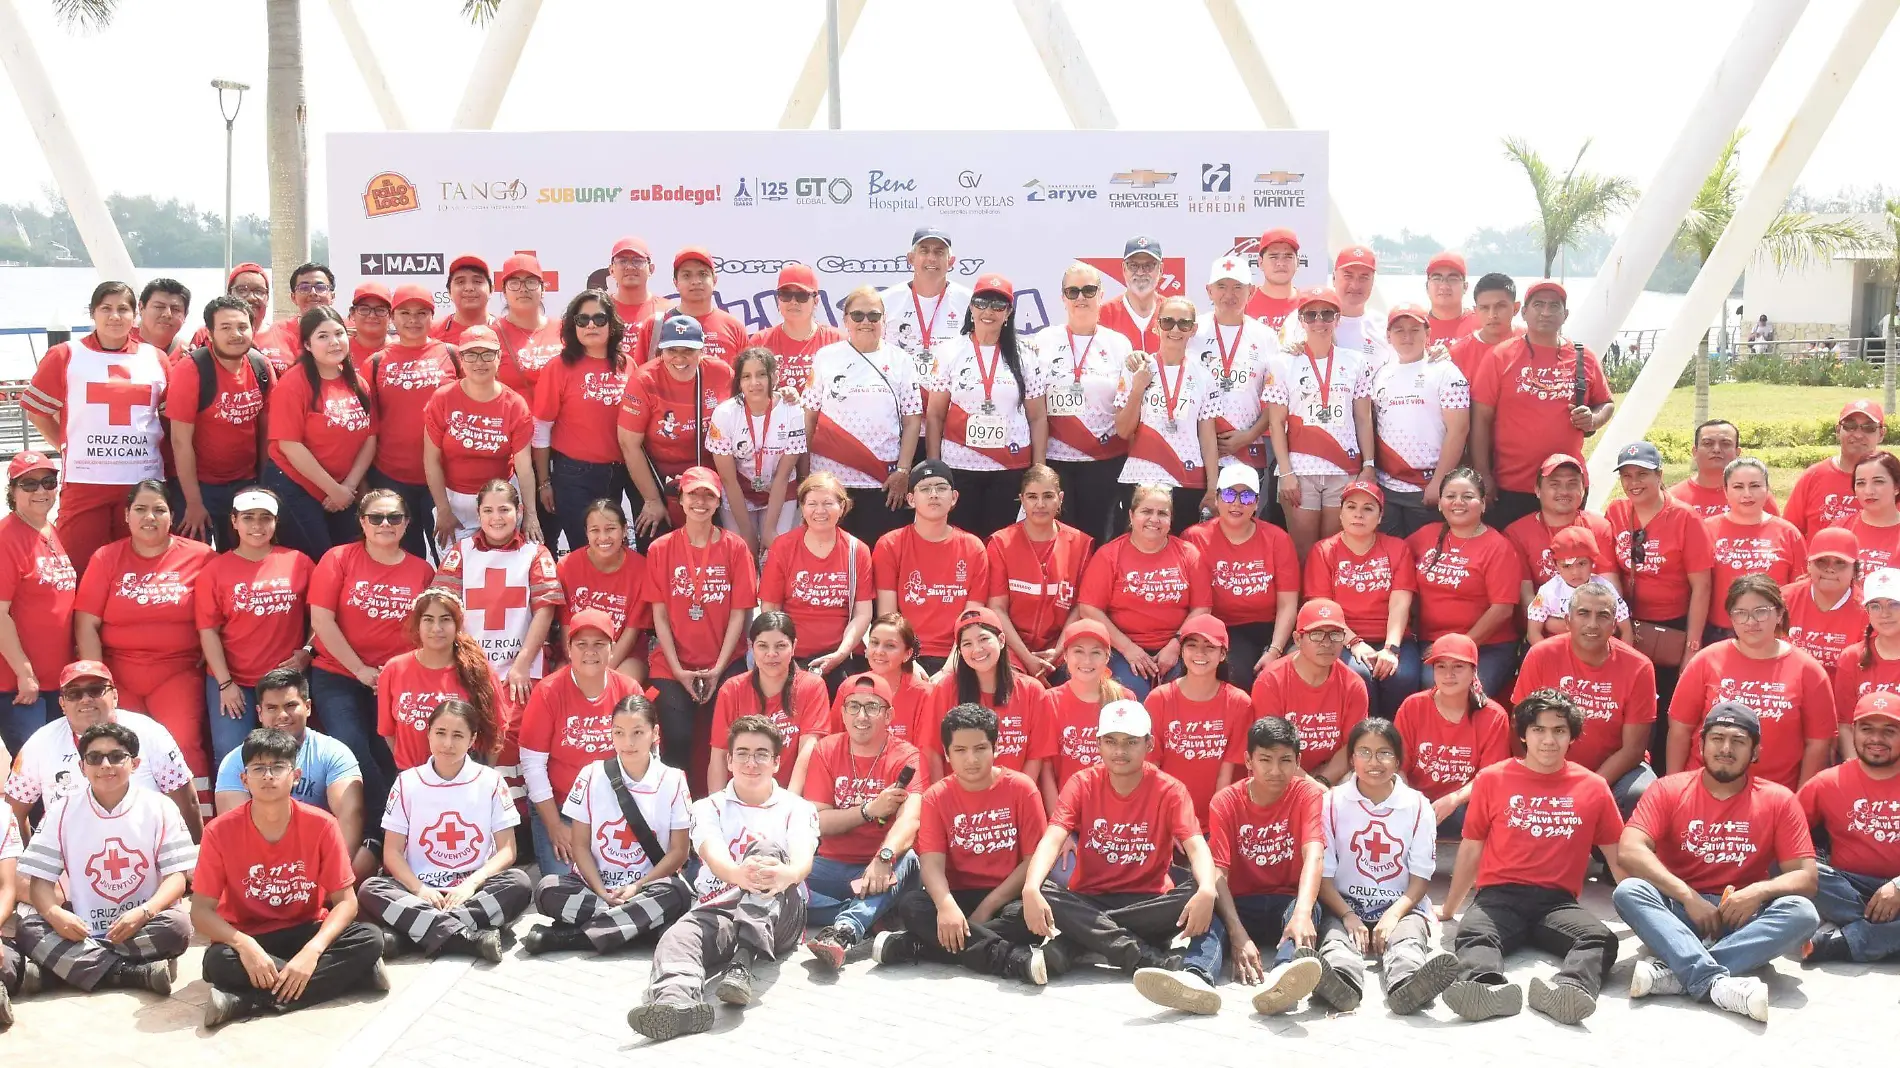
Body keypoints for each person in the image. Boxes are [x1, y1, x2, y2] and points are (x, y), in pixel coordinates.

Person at [1613, 701, 1820, 1022]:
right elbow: (1629, 849)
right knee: (1629, 891)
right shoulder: (1669, 788)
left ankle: (1680, 972)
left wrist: (1757, 893)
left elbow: (1806, 877)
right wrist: (1686, 895)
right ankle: (1717, 980)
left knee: (1803, 912)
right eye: (1717, 738)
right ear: (1701, 744)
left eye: (1738, 741)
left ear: (1755, 751)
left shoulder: (1778, 799)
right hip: (1678, 912)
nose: (1726, 748)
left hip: (1741, 916)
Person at [1012, 699, 1223, 1014]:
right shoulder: (1082, 783)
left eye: (1131, 742)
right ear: (1098, 743)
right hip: (1090, 898)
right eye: (1110, 741)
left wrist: (1207, 889)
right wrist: (1029, 888)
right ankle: (1141, 956)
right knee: (1041, 886)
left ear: (1149, 744)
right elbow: (1054, 837)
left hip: (1149, 901)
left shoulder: (1170, 790)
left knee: (1200, 888)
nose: (1119, 751)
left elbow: (1195, 845)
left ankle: (1077, 942)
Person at [1436, 689, 1624, 1025]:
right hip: (1498, 897)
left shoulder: (1594, 787)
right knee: (1473, 932)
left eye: (1559, 730)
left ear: (1572, 736)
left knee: (1600, 938)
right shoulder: (1492, 779)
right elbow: (1471, 847)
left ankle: (1569, 991)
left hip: (1558, 902)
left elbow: (1617, 855)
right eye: (1538, 729)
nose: (1548, 740)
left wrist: (1638, 916)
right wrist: (1450, 908)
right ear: (1523, 734)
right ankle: (1485, 989)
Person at [628, 715, 818, 1041]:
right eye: (742, 753)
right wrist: (737, 875)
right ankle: (678, 1006)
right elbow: (712, 852)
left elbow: (803, 858)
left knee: (766, 851)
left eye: (761, 754)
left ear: (776, 762)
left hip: (780, 912)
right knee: (678, 935)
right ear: (729, 760)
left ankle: (741, 963)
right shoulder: (707, 807)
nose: (751, 762)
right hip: (719, 906)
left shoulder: (797, 808)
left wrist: (787, 873)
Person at [192, 726, 385, 1028]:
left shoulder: (322, 825)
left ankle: (247, 1001)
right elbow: (200, 912)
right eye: (258, 768)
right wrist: (245, 945)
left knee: (369, 938)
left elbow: (346, 902)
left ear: (295, 776)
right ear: (244, 779)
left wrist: (313, 950)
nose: (268, 775)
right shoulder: (219, 831)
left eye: (278, 767)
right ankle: (352, 976)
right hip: (251, 933)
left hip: (306, 927)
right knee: (217, 962)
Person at [874, 703, 1052, 982]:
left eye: (980, 748)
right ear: (947, 754)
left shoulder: (1022, 788)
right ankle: (1011, 960)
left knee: (1028, 917)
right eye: (960, 750)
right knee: (913, 906)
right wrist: (946, 905)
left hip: (1006, 894)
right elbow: (931, 865)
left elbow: (1032, 861)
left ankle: (919, 945)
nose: (971, 759)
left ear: (996, 748)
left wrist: (988, 906)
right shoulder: (936, 797)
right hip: (957, 893)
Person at [16, 720, 195, 995]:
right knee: (29, 928)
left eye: (116, 757)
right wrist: (55, 915)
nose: (105, 765)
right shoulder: (61, 811)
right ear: (82, 766)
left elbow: (176, 878)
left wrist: (144, 912)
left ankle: (64, 970)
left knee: (178, 927)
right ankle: (135, 973)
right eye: (95, 758)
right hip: (81, 927)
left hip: (143, 922)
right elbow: (39, 882)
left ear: (134, 764)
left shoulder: (159, 806)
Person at [74, 480, 217, 796]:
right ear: (126, 515)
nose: (149, 517)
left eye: (159, 510)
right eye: (140, 509)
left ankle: (198, 826)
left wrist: (212, 648)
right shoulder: (105, 557)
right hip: (120, 673)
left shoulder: (201, 556)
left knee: (183, 742)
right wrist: (99, 681)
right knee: (122, 747)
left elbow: (219, 612)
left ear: (172, 515)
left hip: (177, 671)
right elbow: (86, 623)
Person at [358, 699, 530, 961]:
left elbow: (507, 850)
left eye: (458, 735)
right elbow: (392, 853)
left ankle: (414, 933)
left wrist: (470, 885)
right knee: (371, 889)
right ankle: (467, 937)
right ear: (428, 734)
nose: (448, 744)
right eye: (440, 733)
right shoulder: (407, 782)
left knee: (519, 884)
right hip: (422, 891)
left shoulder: (490, 781)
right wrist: (419, 890)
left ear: (472, 740)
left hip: (472, 888)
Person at [21, 282, 169, 580]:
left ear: (135, 314)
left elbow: (168, 420)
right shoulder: (66, 355)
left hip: (142, 482)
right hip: (87, 482)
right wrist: (66, 446)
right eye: (106, 309)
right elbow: (36, 410)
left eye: (123, 309)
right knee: (80, 568)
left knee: (139, 568)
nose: (115, 316)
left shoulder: (156, 359)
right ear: (92, 313)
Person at [525, 694, 692, 956]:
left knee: (676, 893)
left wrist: (637, 888)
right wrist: (602, 891)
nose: (628, 742)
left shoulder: (673, 779)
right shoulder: (591, 775)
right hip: (597, 888)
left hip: (647, 887)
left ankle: (573, 938)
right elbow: (579, 845)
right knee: (547, 889)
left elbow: (679, 852)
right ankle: (637, 927)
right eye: (619, 732)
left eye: (638, 732)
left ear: (655, 733)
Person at [1317, 718, 1460, 1015]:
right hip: (1342, 904)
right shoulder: (1331, 803)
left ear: (1397, 760)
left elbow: (1420, 879)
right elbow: (1324, 876)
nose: (1374, 762)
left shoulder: (1418, 806)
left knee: (1407, 944)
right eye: (1364, 752)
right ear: (1351, 758)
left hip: (1401, 906)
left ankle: (1407, 986)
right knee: (1335, 943)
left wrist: (1393, 914)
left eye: (1384, 753)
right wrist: (1347, 915)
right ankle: (1341, 985)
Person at [308, 490, 436, 817]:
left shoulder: (422, 571)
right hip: (338, 673)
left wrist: (394, 673)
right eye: (376, 517)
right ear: (363, 522)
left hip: (394, 680)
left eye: (394, 517)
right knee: (351, 748)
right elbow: (321, 620)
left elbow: (427, 630)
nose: (385, 524)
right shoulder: (338, 558)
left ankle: (403, 823)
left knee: (394, 754)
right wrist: (361, 670)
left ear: (407, 523)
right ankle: (378, 825)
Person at [1203, 715, 1329, 1015]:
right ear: (1248, 760)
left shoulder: (1307, 793)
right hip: (1240, 902)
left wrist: (1301, 913)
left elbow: (1314, 853)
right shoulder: (1225, 801)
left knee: (1312, 910)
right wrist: (1236, 933)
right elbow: (1218, 871)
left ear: (1298, 761)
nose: (1275, 770)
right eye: (1265, 760)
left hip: (1284, 900)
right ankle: (1195, 976)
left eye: (1286, 760)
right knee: (1208, 913)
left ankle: (1284, 978)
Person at [798, 672, 926, 967]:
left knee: (908, 859)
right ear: (842, 713)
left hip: (885, 869)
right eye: (853, 706)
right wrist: (869, 810)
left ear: (889, 714)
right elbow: (816, 821)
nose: (862, 716)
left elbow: (910, 823)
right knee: (786, 873)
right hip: (832, 866)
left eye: (872, 707)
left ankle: (845, 932)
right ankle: (873, 913)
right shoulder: (826, 750)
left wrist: (883, 856)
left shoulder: (907, 756)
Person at [644, 467, 757, 793]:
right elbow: (659, 615)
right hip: (672, 663)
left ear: (718, 501)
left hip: (726, 661)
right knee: (676, 739)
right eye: (694, 494)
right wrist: (679, 671)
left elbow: (740, 613)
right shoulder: (661, 549)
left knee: (726, 743)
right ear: (680, 499)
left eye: (709, 495)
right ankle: (674, 813)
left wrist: (720, 667)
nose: (701, 502)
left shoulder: (735, 549)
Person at [1470, 280, 1614, 530]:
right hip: (1512, 486)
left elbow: (1606, 403)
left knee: (1566, 557)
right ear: (1524, 312)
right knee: (1514, 560)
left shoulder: (1584, 357)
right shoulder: (1500, 356)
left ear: (1565, 314)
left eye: (1553, 306)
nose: (1546, 312)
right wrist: (1483, 474)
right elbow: (1480, 419)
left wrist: (1594, 419)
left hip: (1567, 485)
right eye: (1538, 305)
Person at [1667, 576, 1834, 789]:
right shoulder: (1706, 660)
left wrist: (1799, 804)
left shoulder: (1809, 671)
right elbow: (1680, 730)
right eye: (1741, 613)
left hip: (1775, 796)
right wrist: (1673, 788)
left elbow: (1818, 744)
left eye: (1761, 612)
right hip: (1704, 790)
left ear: (1779, 614)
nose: (1751, 622)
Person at [5, 661, 199, 839]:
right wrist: (27, 870)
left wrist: (195, 863)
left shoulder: (151, 732)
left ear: (114, 696)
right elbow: (13, 812)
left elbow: (187, 801)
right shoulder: (40, 743)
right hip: (68, 864)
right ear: (62, 704)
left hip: (148, 851)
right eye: (74, 693)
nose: (86, 699)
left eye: (96, 690)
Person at [1515, 581, 1660, 816]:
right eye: (1583, 613)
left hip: (1615, 774)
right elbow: (1520, 727)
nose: (1592, 624)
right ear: (1568, 620)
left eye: (1602, 616)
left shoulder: (1639, 667)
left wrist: (1588, 786)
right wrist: (1542, 776)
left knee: (1640, 793)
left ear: (1614, 625)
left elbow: (1633, 749)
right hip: (1548, 767)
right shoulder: (1541, 655)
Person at [211, 670, 367, 884]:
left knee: (364, 859)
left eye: (290, 705)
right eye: (272, 708)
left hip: (320, 853)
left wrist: (331, 874)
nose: (282, 715)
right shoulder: (235, 760)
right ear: (259, 713)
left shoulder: (334, 752)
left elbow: (351, 815)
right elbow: (233, 829)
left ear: (308, 707)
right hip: (260, 860)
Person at [196, 487, 314, 764]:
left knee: (290, 753)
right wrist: (225, 684)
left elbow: (321, 615)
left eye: (265, 518)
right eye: (248, 518)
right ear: (234, 522)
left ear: (276, 522)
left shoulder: (299, 562)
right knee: (231, 753)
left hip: (284, 682)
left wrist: (308, 650)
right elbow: (208, 630)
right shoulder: (214, 570)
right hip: (234, 681)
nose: (257, 526)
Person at [519, 609, 641, 876]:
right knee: (566, 885)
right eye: (581, 644)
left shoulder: (628, 689)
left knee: (626, 875)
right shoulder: (548, 692)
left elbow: (647, 757)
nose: (590, 652)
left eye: (599, 644)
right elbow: (533, 766)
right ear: (569, 649)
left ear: (612, 649)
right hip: (560, 808)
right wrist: (554, 827)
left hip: (615, 809)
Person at [925, 274, 1046, 540]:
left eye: (998, 305)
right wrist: (935, 466)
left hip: (1009, 467)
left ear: (1009, 312)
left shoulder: (1025, 355)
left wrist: (1038, 470)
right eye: (981, 303)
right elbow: (934, 415)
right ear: (971, 307)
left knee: (1001, 543)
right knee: (962, 543)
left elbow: (1037, 417)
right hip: (960, 466)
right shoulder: (949, 352)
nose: (988, 311)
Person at [802, 286, 924, 544]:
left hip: (883, 481)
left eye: (873, 315)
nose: (865, 322)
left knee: (880, 555)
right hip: (832, 481)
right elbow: (809, 417)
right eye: (857, 316)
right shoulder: (826, 357)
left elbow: (913, 420)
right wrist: (806, 474)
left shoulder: (902, 360)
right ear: (846, 320)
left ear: (884, 319)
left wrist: (903, 471)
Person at [1265, 286, 1376, 562]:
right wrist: (1286, 473)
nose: (1319, 321)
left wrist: (1369, 465)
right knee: (1303, 554)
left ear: (1337, 319)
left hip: (1344, 468)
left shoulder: (1355, 362)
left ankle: (1329, 606)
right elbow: (1276, 423)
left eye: (1327, 314)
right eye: (1311, 315)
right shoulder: (1282, 363)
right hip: (1301, 472)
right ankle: (1306, 606)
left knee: (1334, 552)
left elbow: (1363, 418)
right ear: (1301, 320)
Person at [430, 479, 562, 705]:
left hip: (522, 669)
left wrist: (522, 664)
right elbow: (441, 606)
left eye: (504, 510)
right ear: (478, 514)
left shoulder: (536, 553)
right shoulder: (462, 551)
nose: (496, 518)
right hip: (468, 667)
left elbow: (545, 611)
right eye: (488, 510)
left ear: (519, 511)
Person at [1610, 441, 1715, 726]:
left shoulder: (1685, 518)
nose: (1634, 483)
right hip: (1629, 624)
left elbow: (1702, 586)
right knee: (1630, 703)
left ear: (1659, 474)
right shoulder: (1616, 512)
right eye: (1626, 476)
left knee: (1667, 705)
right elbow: (1609, 572)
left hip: (1673, 628)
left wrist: (1692, 647)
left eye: (1642, 474)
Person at [264, 308, 380, 561]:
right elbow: (289, 445)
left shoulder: (357, 384)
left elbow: (370, 438)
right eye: (323, 336)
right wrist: (333, 489)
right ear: (307, 344)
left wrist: (347, 487)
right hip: (297, 487)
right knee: (317, 560)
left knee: (344, 560)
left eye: (339, 333)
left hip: (342, 491)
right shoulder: (294, 383)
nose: (334, 342)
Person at [1029, 263, 1133, 542]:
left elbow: (1127, 404)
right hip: (1056, 459)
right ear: (1062, 298)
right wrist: (1038, 465)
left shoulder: (1118, 344)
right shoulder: (1044, 340)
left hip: (1104, 461)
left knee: (1100, 538)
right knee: (1059, 541)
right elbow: (1033, 405)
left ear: (1101, 294)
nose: (1080, 298)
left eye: (1088, 290)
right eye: (1072, 291)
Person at [1077, 484, 1212, 698]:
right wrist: (1129, 649)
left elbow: (1202, 608)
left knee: (1181, 695)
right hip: (1123, 649)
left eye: (1162, 513)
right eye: (1146, 511)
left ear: (1171, 519)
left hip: (1177, 647)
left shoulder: (1189, 554)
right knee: (1130, 695)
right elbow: (1089, 609)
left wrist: (1176, 645)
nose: (1154, 519)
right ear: (1131, 515)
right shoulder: (1109, 555)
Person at [1799, 689, 1900, 963]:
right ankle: (1881, 930)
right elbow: (1786, 836)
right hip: (1845, 887)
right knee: (1791, 866)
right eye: (1867, 729)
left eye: (1889, 731)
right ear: (1853, 731)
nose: (1876, 739)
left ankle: (1844, 941)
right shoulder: (1827, 782)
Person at [1303, 481, 1420, 716]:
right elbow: (1322, 609)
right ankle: (1365, 740)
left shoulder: (1397, 548)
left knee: (1402, 675)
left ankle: (1395, 741)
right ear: (1341, 513)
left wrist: (1391, 648)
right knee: (1360, 674)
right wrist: (1355, 643)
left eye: (1368, 508)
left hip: (1391, 638)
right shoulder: (1324, 550)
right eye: (1351, 507)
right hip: (1341, 637)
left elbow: (1400, 603)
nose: (1358, 514)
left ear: (1380, 517)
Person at [1404, 468, 1522, 697]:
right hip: (1428, 641)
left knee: (1445, 687)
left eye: (1468, 496)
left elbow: (1502, 610)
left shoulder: (1498, 547)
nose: (1458, 502)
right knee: (1399, 676)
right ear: (1439, 504)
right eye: (1450, 496)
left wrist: (1459, 647)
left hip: (1486, 646)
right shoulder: (1425, 536)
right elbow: (1393, 560)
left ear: (1483, 504)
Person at [357, 284, 456, 558]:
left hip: (445, 478)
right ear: (392, 317)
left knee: (448, 559)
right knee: (403, 560)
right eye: (405, 313)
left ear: (432, 315)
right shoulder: (376, 362)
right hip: (392, 477)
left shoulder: (451, 355)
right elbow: (366, 427)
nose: (413, 320)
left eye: (421, 312)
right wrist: (364, 483)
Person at [168, 295, 273, 551]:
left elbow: (266, 433)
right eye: (225, 327)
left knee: (243, 557)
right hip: (198, 485)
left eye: (242, 327)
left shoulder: (261, 366)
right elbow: (180, 441)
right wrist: (193, 503)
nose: (236, 334)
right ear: (210, 333)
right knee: (194, 557)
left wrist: (264, 485)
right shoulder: (192, 370)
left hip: (245, 483)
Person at [620, 316, 736, 545]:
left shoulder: (721, 373)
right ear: (661, 349)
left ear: (702, 349)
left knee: (712, 547)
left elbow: (747, 410)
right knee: (654, 544)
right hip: (658, 477)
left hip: (708, 477)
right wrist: (652, 500)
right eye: (672, 350)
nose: (680, 358)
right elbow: (628, 444)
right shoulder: (644, 380)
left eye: (689, 350)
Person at [1182, 465, 1297, 693]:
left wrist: (1275, 650)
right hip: (1223, 626)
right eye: (1228, 494)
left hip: (1269, 626)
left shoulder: (1277, 539)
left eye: (1246, 496)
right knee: (1238, 673)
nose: (1236, 503)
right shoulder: (1195, 537)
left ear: (1256, 503)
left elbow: (1288, 603)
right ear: (1216, 499)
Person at [422, 324, 536, 548]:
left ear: (498, 358)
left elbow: (524, 467)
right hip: (455, 501)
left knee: (501, 569)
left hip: (500, 502)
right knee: (455, 574)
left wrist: (531, 513)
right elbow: (431, 461)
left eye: (486, 354)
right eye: (471, 354)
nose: (479, 362)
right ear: (461, 360)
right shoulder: (442, 399)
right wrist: (444, 510)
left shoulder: (515, 404)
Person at [376, 588, 509, 782]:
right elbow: (389, 732)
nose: (436, 628)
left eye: (445, 619)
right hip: (413, 780)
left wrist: (482, 778)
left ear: (457, 625)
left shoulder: (479, 671)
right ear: (418, 624)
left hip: (466, 780)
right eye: (428, 619)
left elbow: (497, 731)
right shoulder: (394, 670)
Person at [1113, 295, 1220, 530]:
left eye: (1183, 324)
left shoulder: (1203, 375)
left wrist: (1212, 487)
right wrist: (1138, 389)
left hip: (1187, 477)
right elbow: (1123, 430)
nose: (1175, 329)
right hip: (1141, 475)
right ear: (1156, 325)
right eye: (1168, 322)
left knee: (1180, 550)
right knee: (1140, 549)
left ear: (1193, 329)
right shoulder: (1136, 369)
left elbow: (1208, 437)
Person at [872, 460, 988, 673]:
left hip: (959, 655)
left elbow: (972, 620)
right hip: (905, 654)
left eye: (941, 488)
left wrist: (948, 670)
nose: (933, 494)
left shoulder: (973, 547)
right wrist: (909, 661)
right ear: (911, 499)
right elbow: (888, 619)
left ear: (953, 498)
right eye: (925, 489)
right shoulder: (890, 544)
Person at [535, 290, 628, 554]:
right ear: (572, 325)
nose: (590, 325)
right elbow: (541, 428)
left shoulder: (626, 365)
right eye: (582, 319)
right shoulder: (559, 367)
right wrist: (544, 482)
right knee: (584, 550)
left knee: (611, 550)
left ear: (611, 325)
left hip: (617, 474)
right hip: (573, 475)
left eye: (599, 319)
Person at [756, 474, 869, 689]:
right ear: (802, 507)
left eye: (828, 503)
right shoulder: (783, 547)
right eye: (812, 504)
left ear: (842, 506)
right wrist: (781, 652)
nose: (820, 511)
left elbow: (863, 613)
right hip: (792, 657)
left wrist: (840, 653)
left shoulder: (857, 550)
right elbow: (770, 608)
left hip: (842, 655)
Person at [921, 607, 1056, 783]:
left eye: (983, 639)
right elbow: (932, 751)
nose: (977, 649)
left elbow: (1036, 756)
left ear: (1001, 640)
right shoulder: (945, 689)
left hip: (1013, 800)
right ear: (960, 650)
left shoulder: (1032, 691)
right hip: (958, 801)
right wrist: (942, 799)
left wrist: (1017, 796)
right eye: (967, 643)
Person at [1393, 635, 1511, 834]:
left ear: (1474, 671)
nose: (1449, 675)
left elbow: (1489, 777)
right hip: (1416, 799)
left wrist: (1454, 799)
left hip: (1465, 802)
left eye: (1458, 667)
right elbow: (1399, 766)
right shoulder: (1413, 706)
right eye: (1441, 667)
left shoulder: (1494, 716)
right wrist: (1412, 802)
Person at [981, 465, 1091, 679]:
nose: (1040, 504)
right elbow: (997, 608)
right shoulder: (1000, 543)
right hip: (1012, 650)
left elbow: (1080, 606)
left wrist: (1058, 651)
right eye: (1032, 497)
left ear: (1060, 498)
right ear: (1022, 500)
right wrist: (1026, 658)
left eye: (1048, 496)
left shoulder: (1080, 543)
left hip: (1061, 649)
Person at [1141, 616, 1251, 824]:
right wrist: (1166, 820)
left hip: (1215, 817)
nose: (1200, 653)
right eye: (1192, 645)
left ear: (1223, 654)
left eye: (1210, 647)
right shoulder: (1159, 699)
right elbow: (1151, 768)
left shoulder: (1238, 702)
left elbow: (1225, 777)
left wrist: (1217, 825)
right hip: (1166, 815)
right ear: (1182, 651)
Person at [1372, 304, 1471, 536]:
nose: (1407, 336)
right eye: (1399, 330)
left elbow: (1459, 430)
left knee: (1426, 558)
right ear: (1388, 335)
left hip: (1427, 487)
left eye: (1415, 330)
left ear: (1428, 334)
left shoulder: (1447, 372)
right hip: (1387, 487)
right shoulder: (1381, 374)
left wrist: (1438, 482)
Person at [708, 612, 832, 794]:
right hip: (740, 796)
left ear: (794, 646)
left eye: (781, 646)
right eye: (762, 646)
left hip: (790, 794)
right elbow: (719, 755)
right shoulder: (732, 689)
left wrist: (789, 804)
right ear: (751, 647)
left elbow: (809, 751)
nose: (771, 654)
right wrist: (716, 807)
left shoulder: (812, 686)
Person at [0, 452, 74, 754]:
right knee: (34, 779)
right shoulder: (6, 537)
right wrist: (24, 673)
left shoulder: (48, 529)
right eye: (29, 484)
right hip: (20, 687)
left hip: (55, 682)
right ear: (12, 491)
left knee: (60, 773)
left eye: (48, 482)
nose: (41, 491)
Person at [1249, 599, 1369, 786]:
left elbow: (1351, 746)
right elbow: (1271, 748)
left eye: (1335, 635)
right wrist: (1310, 785)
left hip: (1330, 774)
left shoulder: (1353, 684)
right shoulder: (1271, 681)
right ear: (1298, 639)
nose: (1326, 643)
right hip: (1280, 772)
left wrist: (1322, 781)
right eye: (1317, 634)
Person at [708, 346, 806, 555]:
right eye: (746, 376)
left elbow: (783, 474)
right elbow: (728, 479)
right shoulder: (724, 413)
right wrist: (747, 533)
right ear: (739, 381)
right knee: (742, 552)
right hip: (739, 491)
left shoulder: (793, 410)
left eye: (761, 374)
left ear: (775, 376)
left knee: (777, 553)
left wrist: (769, 530)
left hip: (780, 489)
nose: (754, 383)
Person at [1193, 255, 1277, 484]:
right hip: (1196, 449)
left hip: (1247, 450)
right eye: (1221, 286)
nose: (1229, 294)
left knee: (1242, 518)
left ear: (1251, 291)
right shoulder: (1192, 331)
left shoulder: (1266, 336)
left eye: (1237, 287)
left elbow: (1277, 399)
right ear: (1209, 291)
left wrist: (1249, 435)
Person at [1707, 456, 1807, 634]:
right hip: (1719, 631)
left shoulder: (1788, 533)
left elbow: (1800, 591)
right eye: (1738, 487)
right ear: (1725, 490)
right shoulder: (1706, 530)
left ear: (1767, 489)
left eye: (1755, 486)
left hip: (1772, 631)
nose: (1747, 494)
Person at [557, 499, 650, 679]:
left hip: (624, 654)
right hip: (576, 653)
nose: (603, 537)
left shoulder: (641, 569)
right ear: (586, 533)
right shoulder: (566, 566)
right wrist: (578, 665)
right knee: (558, 684)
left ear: (624, 530)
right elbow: (566, 625)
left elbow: (632, 630)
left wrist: (602, 671)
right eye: (595, 530)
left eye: (610, 529)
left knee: (621, 686)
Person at [1501, 453, 1617, 592]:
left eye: (1572, 484)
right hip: (1543, 611)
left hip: (1594, 610)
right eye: (1554, 484)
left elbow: (1611, 589)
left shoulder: (1599, 527)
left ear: (1583, 489)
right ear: (1537, 490)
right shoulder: (1517, 533)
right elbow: (1526, 597)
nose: (1564, 491)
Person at [628, 247, 748, 367]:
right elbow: (639, 376)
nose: (695, 281)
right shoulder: (655, 325)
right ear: (675, 283)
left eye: (703, 274)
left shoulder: (734, 328)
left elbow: (745, 378)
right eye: (687, 275)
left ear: (714, 280)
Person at [1046, 619, 1126, 798]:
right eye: (1078, 652)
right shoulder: (1050, 700)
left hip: (1114, 809)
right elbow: (1047, 770)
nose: (1087, 660)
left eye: (1096, 652)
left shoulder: (1124, 699)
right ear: (1065, 656)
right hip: (1068, 810)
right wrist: (1058, 819)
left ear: (1107, 657)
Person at [880, 228, 972, 378]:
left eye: (939, 252)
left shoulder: (968, 302)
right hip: (899, 392)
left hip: (949, 393)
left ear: (951, 261)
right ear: (911, 258)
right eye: (924, 251)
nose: (931, 258)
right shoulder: (886, 301)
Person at [1785, 400, 1884, 537]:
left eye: (1869, 427)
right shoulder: (1813, 476)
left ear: (1882, 434)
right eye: (1850, 426)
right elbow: (1789, 535)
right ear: (1838, 431)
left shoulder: (1893, 481)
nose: (1858, 435)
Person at [1782, 527, 1866, 680]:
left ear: (1855, 569)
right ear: (1808, 565)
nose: (1830, 569)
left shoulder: (1868, 610)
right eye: (1821, 561)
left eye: (1840, 563)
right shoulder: (1783, 599)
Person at [747, 263, 841, 395]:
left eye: (802, 296)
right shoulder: (760, 341)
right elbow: (748, 391)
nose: (793, 302)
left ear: (816, 301)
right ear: (778, 299)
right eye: (785, 295)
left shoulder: (836, 340)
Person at [1525, 526, 1631, 643]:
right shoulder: (1548, 591)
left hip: (1598, 653)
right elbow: (1533, 633)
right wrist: (1549, 659)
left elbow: (1626, 630)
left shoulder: (1606, 589)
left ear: (1592, 562)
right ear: (1555, 566)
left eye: (1581, 564)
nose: (1575, 572)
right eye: (1566, 566)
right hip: (1558, 652)